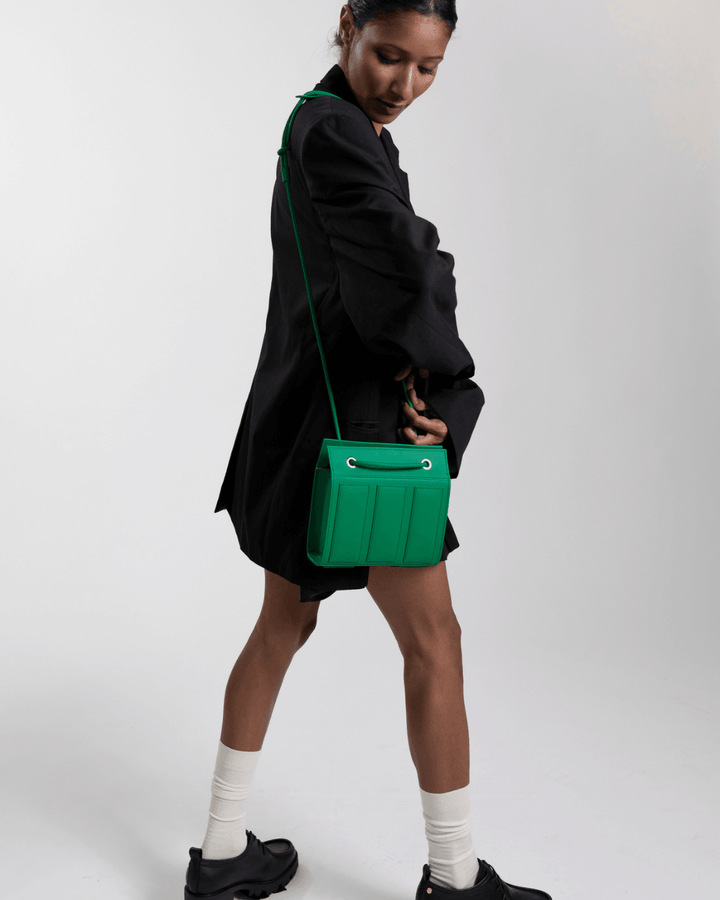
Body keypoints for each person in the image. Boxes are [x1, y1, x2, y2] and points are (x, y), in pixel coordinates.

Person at [184, 3, 552, 899]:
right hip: (359, 439)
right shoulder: (338, 133)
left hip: (297, 425)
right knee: (435, 641)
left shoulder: (322, 124)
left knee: (285, 625)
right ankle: (454, 877)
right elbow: (411, 268)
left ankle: (222, 852)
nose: (405, 85)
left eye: (428, 69)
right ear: (348, 23)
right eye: (390, 56)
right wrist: (452, 386)